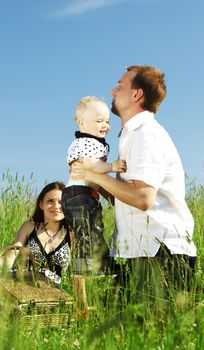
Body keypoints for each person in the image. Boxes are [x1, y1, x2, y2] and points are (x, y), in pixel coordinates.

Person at [72, 65, 197, 309]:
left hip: (160, 256)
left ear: (136, 95)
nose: (112, 90)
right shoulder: (131, 136)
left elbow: (142, 197)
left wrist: (94, 174)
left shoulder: (146, 134)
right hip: (138, 254)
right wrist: (94, 179)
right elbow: (129, 197)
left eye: (120, 85)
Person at [61, 96, 126, 308]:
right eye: (99, 121)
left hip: (83, 195)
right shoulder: (84, 143)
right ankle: (86, 266)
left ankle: (101, 261)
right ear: (82, 124)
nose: (105, 125)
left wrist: (110, 196)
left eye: (107, 121)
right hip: (79, 195)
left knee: (93, 229)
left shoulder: (94, 142)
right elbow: (91, 166)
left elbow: (96, 179)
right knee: (87, 232)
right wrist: (112, 167)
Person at [0, 182, 71, 286]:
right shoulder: (29, 227)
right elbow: (13, 253)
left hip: (59, 294)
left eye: (61, 202)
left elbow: (79, 273)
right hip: (26, 289)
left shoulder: (72, 233)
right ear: (41, 204)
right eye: (50, 201)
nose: (56, 206)